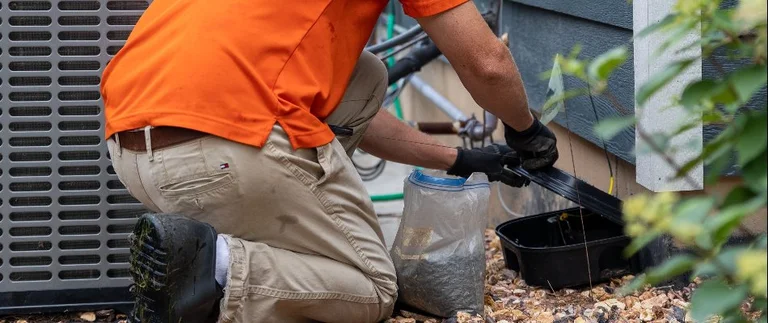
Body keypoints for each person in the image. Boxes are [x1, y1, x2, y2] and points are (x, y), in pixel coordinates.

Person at [100, 0, 558, 322]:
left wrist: (461, 159)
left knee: (364, 73)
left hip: (132, 146)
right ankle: (213, 265)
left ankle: (235, 243)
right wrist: (526, 130)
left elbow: (334, 106)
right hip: (227, 150)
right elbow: (488, 62)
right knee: (372, 290)